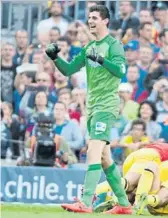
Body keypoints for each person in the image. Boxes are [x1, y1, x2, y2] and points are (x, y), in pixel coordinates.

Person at [45, 5, 131, 214]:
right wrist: (55, 57)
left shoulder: (114, 45)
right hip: (92, 108)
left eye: (94, 18)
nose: (90, 21)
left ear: (105, 21)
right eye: (89, 18)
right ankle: (124, 204)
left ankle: (86, 201)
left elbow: (121, 71)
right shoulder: (88, 48)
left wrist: (101, 59)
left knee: (93, 151)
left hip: (107, 106)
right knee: (104, 159)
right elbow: (68, 70)